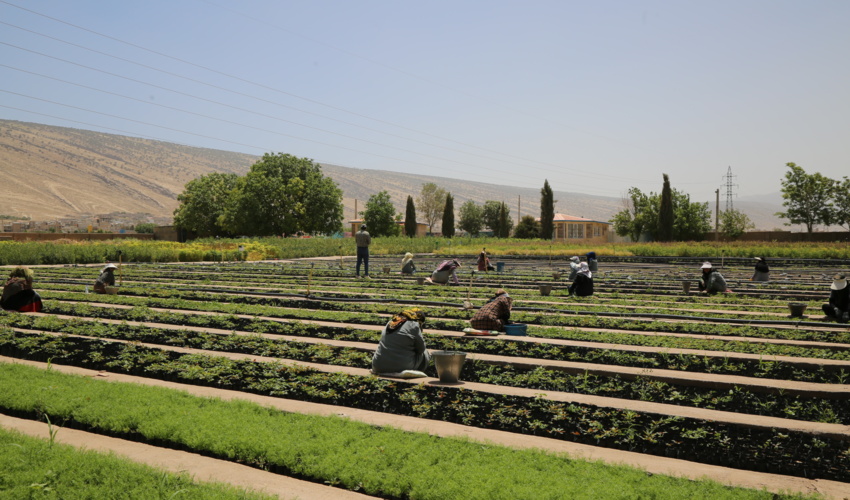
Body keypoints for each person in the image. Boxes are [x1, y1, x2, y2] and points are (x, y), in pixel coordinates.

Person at [371, 308, 431, 373]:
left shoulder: (391, 322)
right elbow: (421, 349)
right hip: (401, 367)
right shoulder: (414, 325)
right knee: (425, 352)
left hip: (378, 366)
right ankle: (421, 371)